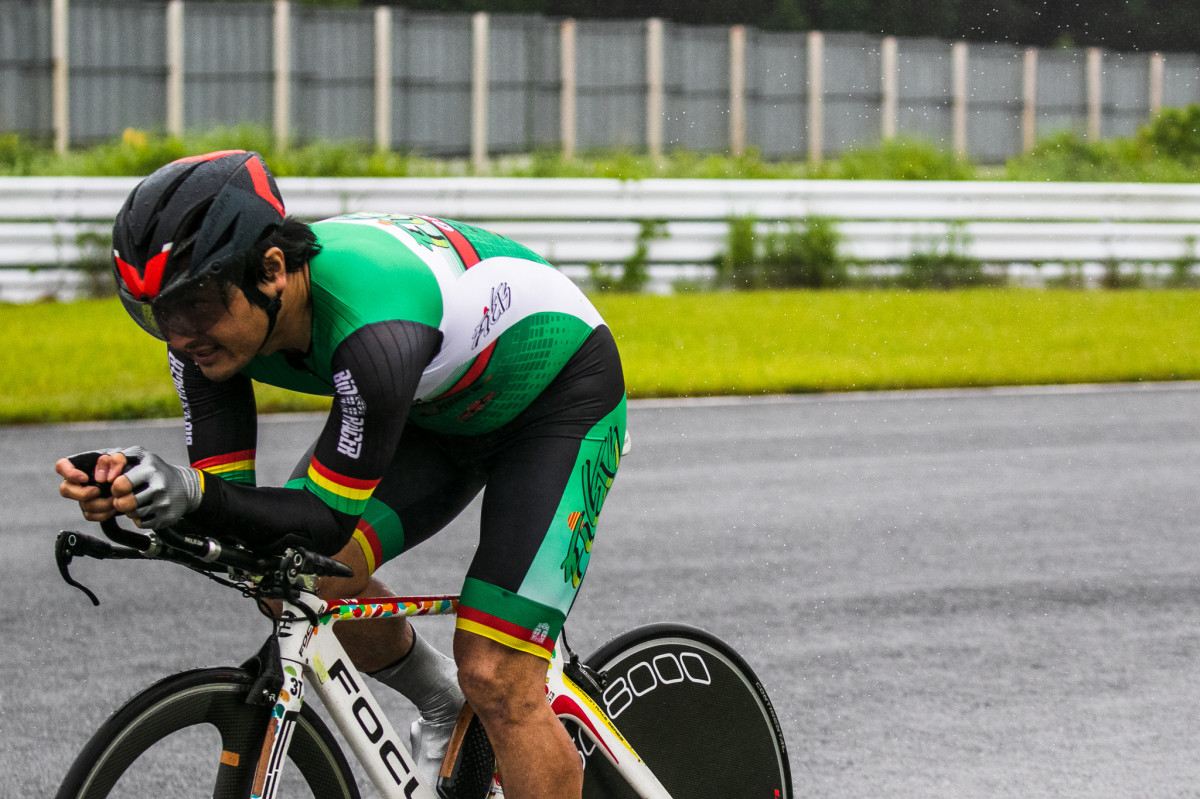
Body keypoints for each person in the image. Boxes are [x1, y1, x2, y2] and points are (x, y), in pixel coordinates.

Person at [55, 149, 627, 799]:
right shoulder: (204, 341)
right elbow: (239, 512)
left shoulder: (374, 328)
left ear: (272, 270)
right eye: (160, 313)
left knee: (498, 673)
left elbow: (324, 521)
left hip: (556, 400)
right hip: (435, 408)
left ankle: (493, 704)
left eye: (198, 307)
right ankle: (441, 702)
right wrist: (142, 493)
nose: (183, 336)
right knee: (286, 575)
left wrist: (189, 492)